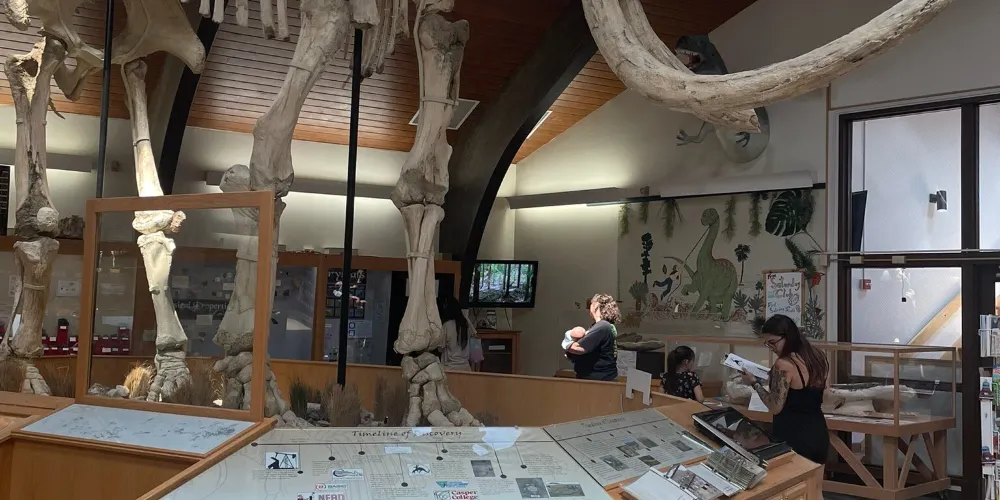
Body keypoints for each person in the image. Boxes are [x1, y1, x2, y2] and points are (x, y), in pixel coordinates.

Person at [741, 314, 829, 465]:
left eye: (773, 342)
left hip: (794, 436)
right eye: (767, 344)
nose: (772, 348)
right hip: (818, 431)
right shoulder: (818, 355)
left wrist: (754, 382)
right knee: (815, 479)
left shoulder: (783, 364)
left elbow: (775, 407)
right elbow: (826, 392)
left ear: (788, 336)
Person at [565, 293, 620, 381]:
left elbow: (578, 348)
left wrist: (567, 340)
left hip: (598, 381)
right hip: (600, 379)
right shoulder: (605, 326)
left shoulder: (602, 326)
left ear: (596, 306)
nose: (588, 308)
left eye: (591, 304)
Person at [438, 295, 475, 371]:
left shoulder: (447, 325)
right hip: (466, 368)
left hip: (450, 368)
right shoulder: (466, 324)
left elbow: (440, 349)